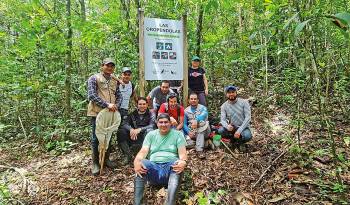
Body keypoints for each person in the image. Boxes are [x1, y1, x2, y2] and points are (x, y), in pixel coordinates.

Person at [133, 113, 187, 205]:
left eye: (166, 122)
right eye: (161, 122)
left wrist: (183, 161)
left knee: (178, 163)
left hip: (170, 169)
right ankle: (137, 203)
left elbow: (182, 153)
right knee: (141, 163)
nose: (163, 124)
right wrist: (136, 162)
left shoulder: (178, 134)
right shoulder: (151, 135)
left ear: (170, 123)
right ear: (157, 123)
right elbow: (143, 151)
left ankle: (170, 203)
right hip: (154, 168)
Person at [87, 57, 122, 175]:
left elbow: (119, 95)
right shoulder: (94, 78)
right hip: (97, 113)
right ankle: (96, 163)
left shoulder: (114, 80)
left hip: (110, 113)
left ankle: (106, 159)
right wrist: (107, 104)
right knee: (95, 138)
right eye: (107, 65)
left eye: (112, 66)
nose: (110, 68)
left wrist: (117, 105)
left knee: (109, 135)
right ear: (102, 66)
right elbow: (92, 95)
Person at [117, 97, 156, 165]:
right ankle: (128, 155)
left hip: (145, 137)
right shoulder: (132, 114)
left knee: (150, 131)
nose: (142, 106)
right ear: (137, 105)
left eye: (144, 104)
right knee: (121, 131)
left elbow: (152, 125)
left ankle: (148, 156)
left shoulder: (151, 114)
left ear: (147, 105)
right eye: (140, 104)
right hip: (134, 137)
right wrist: (131, 129)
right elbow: (124, 124)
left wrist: (140, 129)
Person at [218, 85, 252, 152]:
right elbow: (222, 120)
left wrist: (239, 130)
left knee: (247, 136)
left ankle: (240, 142)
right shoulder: (224, 106)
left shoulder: (244, 102)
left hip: (243, 127)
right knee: (221, 130)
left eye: (233, 92)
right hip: (232, 128)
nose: (231, 94)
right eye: (229, 92)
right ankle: (232, 141)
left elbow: (248, 118)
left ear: (236, 93)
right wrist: (227, 126)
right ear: (226, 94)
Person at [183, 92, 210, 159]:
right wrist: (189, 132)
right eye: (191, 99)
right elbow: (184, 124)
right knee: (186, 143)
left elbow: (204, 114)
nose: (193, 100)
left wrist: (196, 120)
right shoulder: (186, 111)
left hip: (204, 129)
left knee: (200, 129)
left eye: (195, 99)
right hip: (193, 132)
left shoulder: (203, 108)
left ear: (198, 100)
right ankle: (205, 143)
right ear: (189, 100)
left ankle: (199, 150)